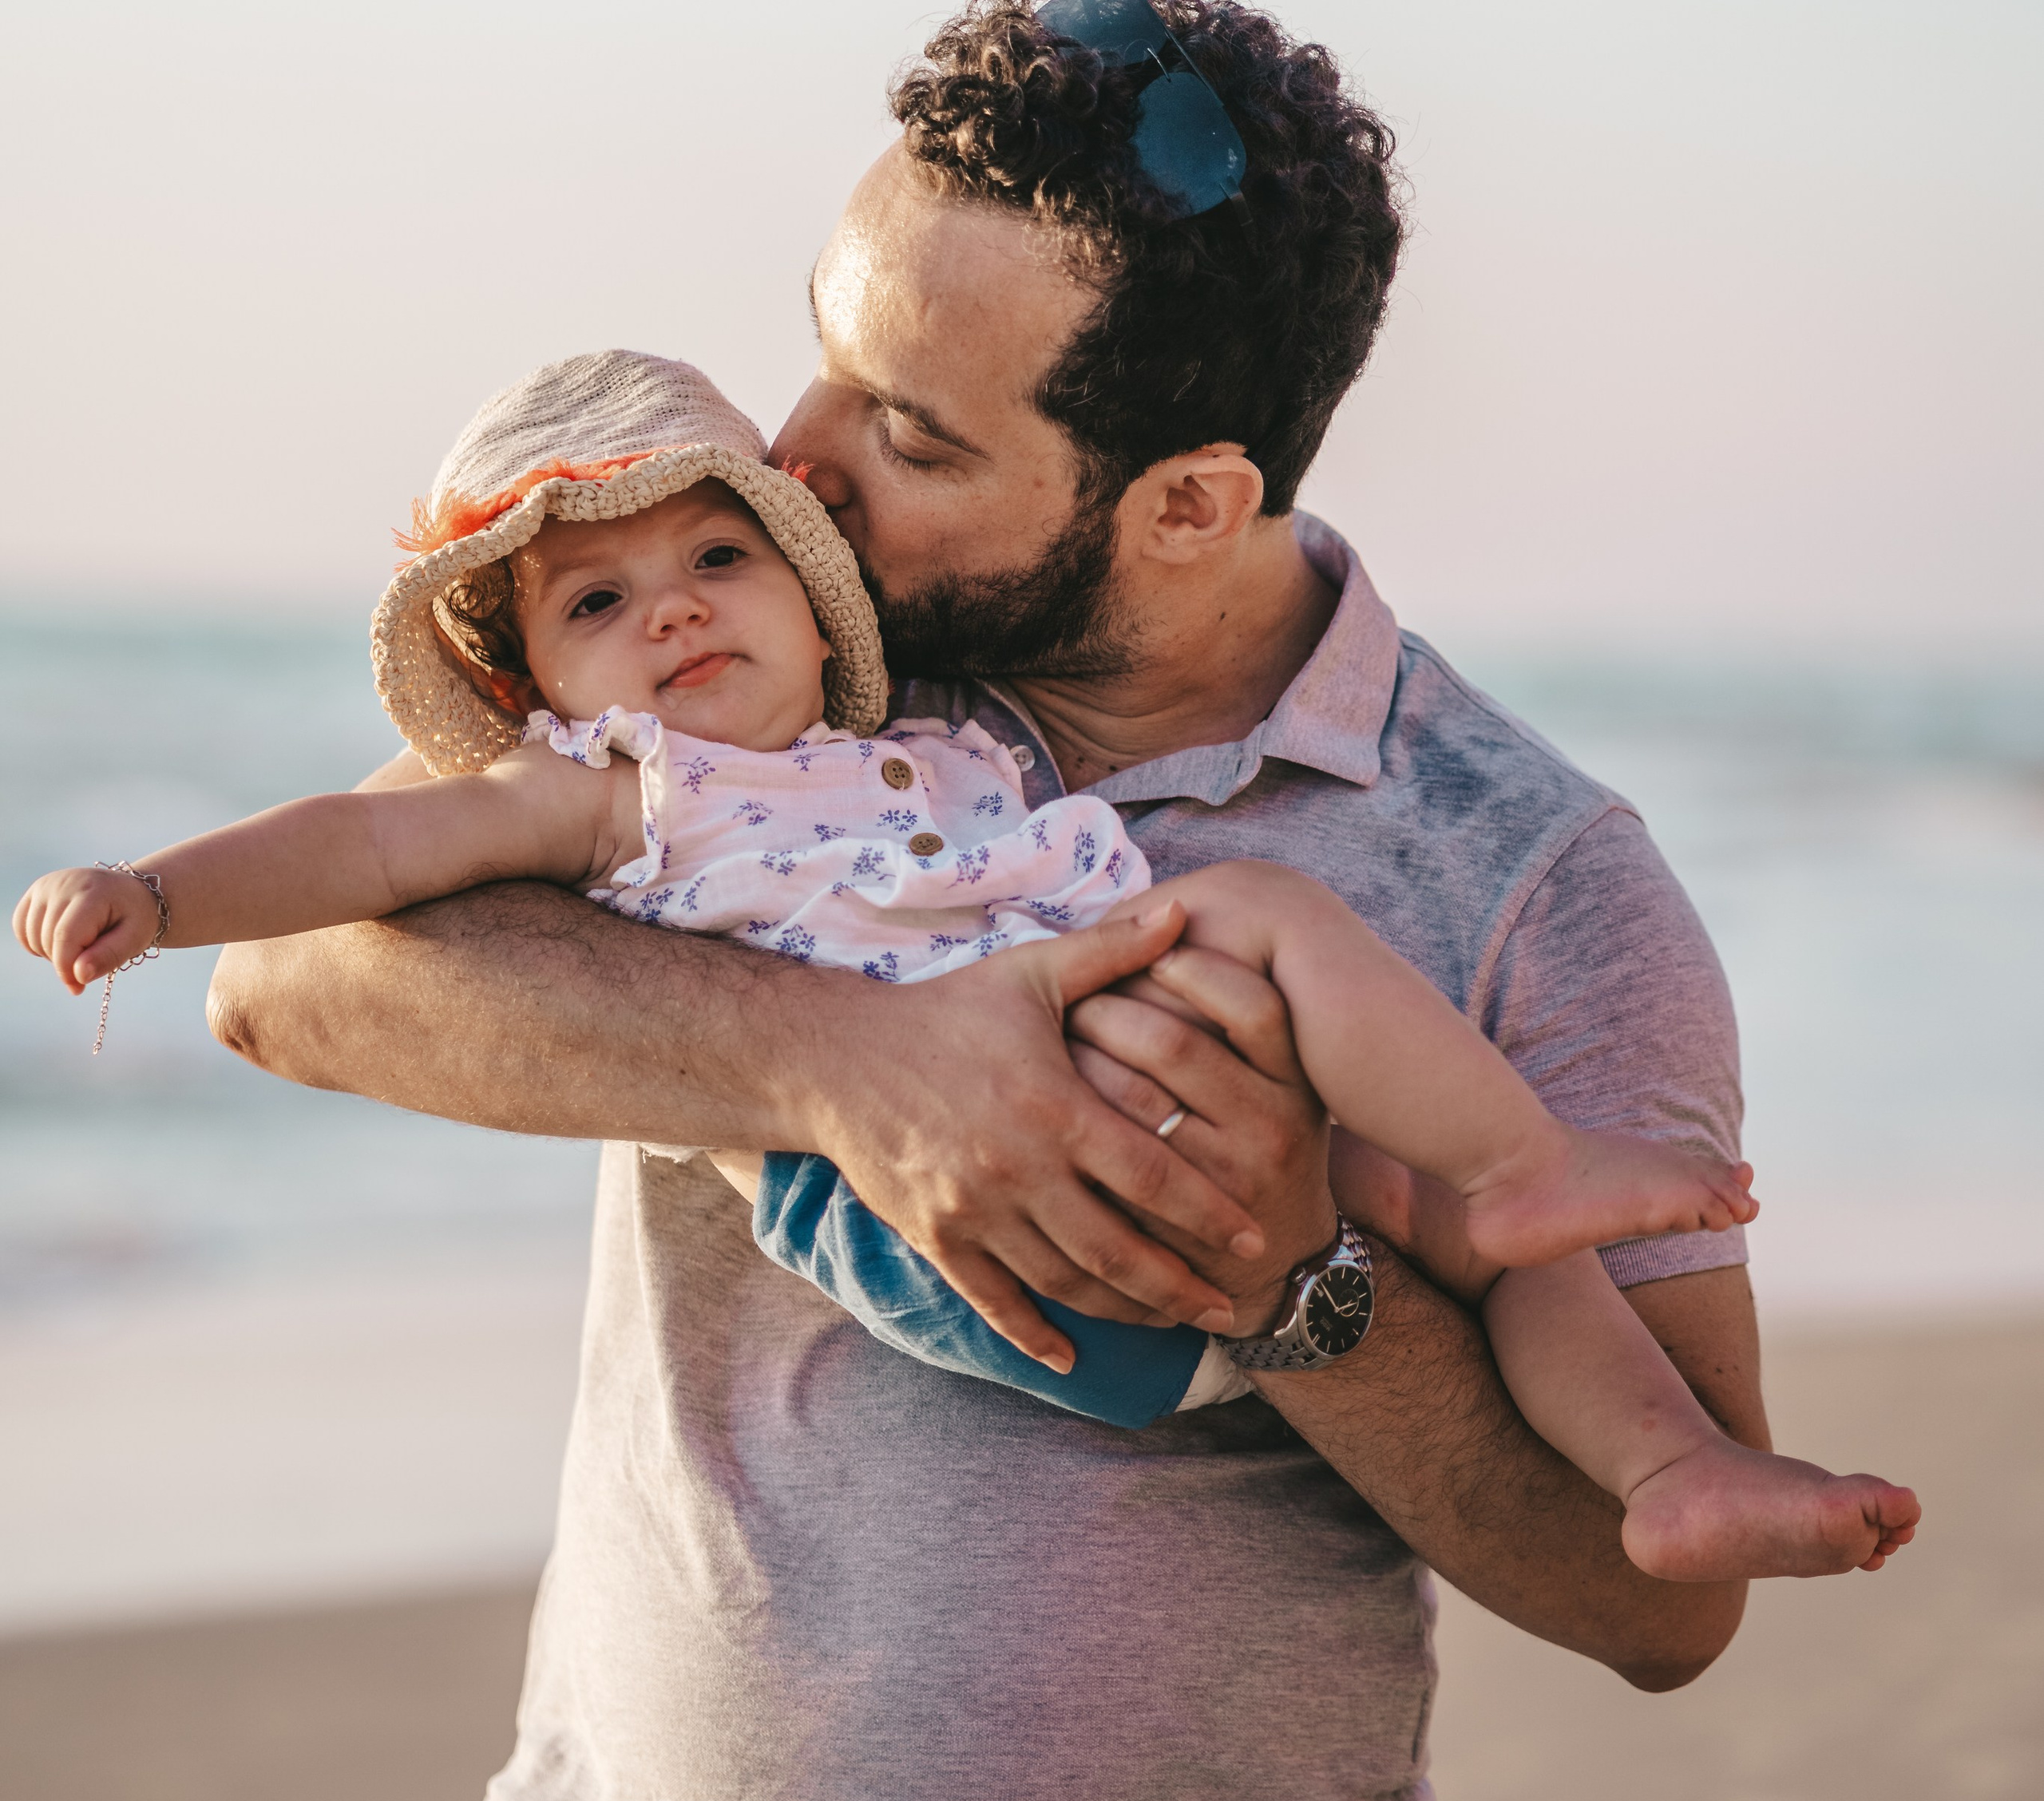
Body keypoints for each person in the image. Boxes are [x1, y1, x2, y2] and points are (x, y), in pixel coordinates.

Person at [194, 0, 1872, 1801]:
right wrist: (837, 1069)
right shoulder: (766, 668)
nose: (790, 458)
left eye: (903, 424)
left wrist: (1293, 1287)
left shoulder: (1534, 881)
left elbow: (1661, 1598)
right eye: (822, 349)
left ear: (1186, 499)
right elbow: (289, 976)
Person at [20, 350, 1917, 1592]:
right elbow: (349, 876)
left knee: (1412, 1154)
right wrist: (158, 890)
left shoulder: (914, 724)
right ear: (538, 683)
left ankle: (1654, 1445)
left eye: (718, 555)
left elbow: (1657, 1652)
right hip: (965, 1240)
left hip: (1133, 1069)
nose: (671, 608)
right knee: (1309, 1043)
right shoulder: (604, 785)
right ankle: (1484, 1193)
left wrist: (1298, 1260)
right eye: (597, 603)